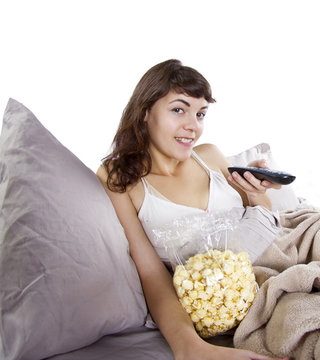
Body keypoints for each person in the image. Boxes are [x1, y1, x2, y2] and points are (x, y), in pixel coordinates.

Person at [97, 59, 288, 360]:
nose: (192, 126)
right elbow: (149, 272)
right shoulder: (120, 179)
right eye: (178, 109)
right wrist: (190, 347)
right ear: (145, 112)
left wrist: (258, 193)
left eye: (200, 113)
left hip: (286, 248)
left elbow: (263, 215)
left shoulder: (209, 155)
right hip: (228, 297)